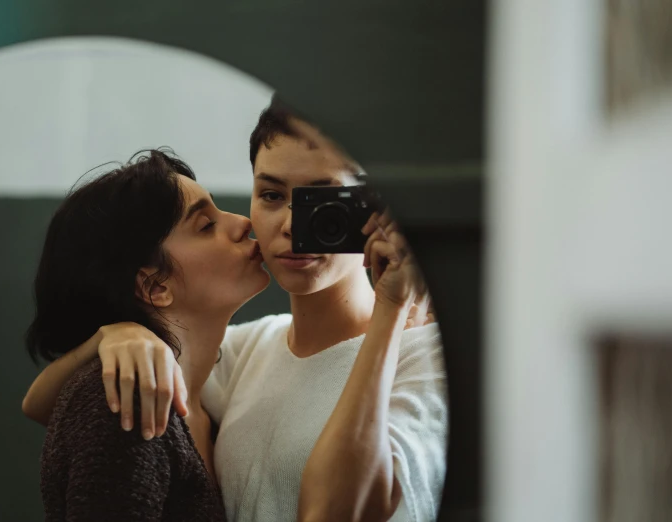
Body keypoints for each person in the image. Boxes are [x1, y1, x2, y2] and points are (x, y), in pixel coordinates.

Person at [23, 97, 448, 522]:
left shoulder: (425, 357)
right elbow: (53, 407)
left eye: (323, 204)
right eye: (271, 195)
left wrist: (391, 309)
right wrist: (113, 335)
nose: (290, 225)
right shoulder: (247, 350)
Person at [25, 149, 269, 521]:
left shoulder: (217, 389)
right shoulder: (127, 401)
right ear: (155, 287)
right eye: (206, 225)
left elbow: (35, 403)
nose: (242, 222)